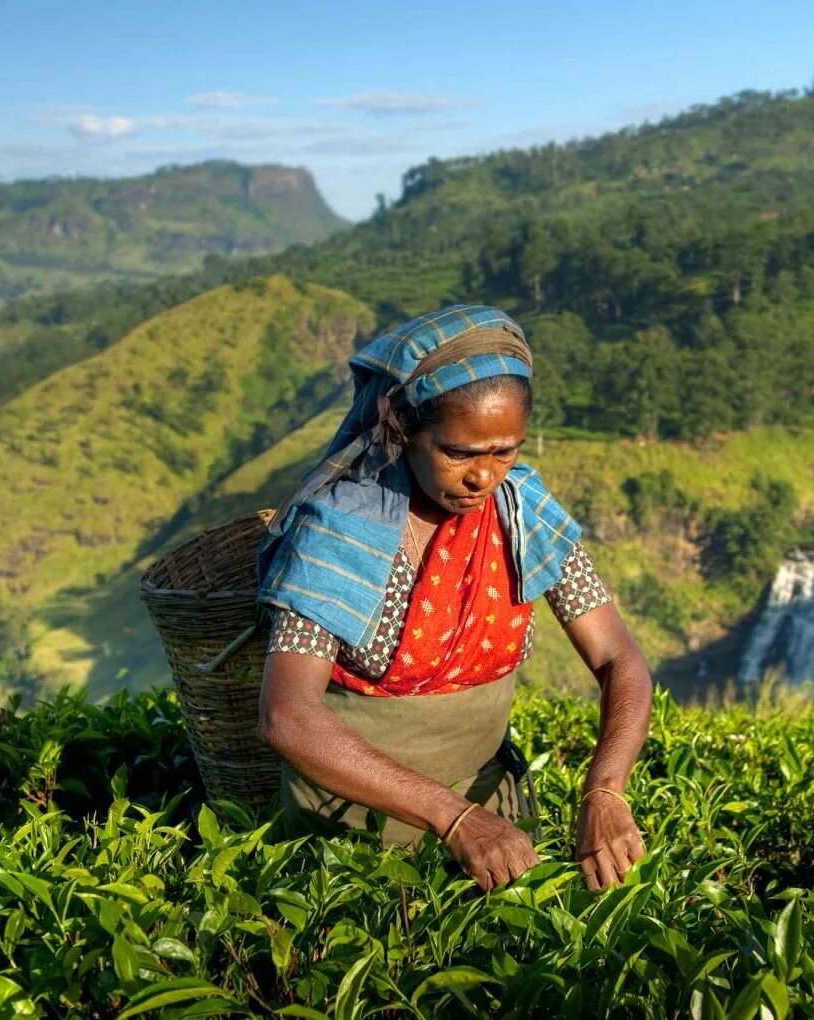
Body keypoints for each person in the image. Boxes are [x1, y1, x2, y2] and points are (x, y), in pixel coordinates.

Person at [255, 305, 653, 892]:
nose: (483, 477)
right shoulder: (340, 529)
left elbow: (620, 661)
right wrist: (454, 817)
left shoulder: (522, 511)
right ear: (399, 425)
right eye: (459, 453)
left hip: (496, 827)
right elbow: (287, 717)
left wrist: (605, 790)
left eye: (505, 451)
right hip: (347, 841)